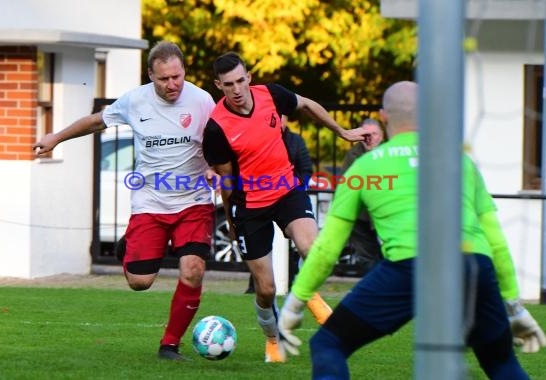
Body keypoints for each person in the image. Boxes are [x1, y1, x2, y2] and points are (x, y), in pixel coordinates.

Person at [279, 81, 538, 379]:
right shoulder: (462, 163)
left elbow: (326, 248)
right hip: (473, 267)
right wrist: (514, 307)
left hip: (409, 267)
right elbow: (495, 240)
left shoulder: (364, 168)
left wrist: (296, 301)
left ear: (383, 117)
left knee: (328, 344)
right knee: (501, 362)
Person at [33, 41, 216, 361]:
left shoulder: (202, 100)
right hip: (150, 203)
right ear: (150, 76)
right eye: (164, 79)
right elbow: (95, 121)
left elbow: (220, 139)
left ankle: (169, 345)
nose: (173, 84)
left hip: (194, 202)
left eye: (177, 76)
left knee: (193, 269)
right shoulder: (135, 101)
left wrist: (215, 167)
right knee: (140, 282)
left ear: (184, 70)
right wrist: (55, 137)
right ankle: (128, 245)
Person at [202, 51, 367, 363]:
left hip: (287, 191)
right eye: (228, 84)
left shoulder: (271, 95)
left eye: (240, 80)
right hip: (249, 206)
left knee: (315, 250)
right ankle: (273, 340)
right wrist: (231, 222)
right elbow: (225, 181)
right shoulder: (216, 128)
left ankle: (308, 297)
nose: (236, 89)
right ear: (218, 85)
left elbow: (306, 104)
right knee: (265, 289)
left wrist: (341, 132)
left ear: (248, 76)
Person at [244, 122, 313, 294]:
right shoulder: (254, 137)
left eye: (282, 116)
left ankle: (294, 281)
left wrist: (296, 186)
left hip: (289, 197)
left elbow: (306, 169)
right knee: (260, 249)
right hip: (259, 198)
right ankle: (256, 286)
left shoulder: (295, 140)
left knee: (305, 245)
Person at [339, 118, 385, 276]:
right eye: (366, 134)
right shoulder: (353, 154)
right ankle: (377, 290)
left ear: (382, 135)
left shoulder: (389, 152)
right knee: (367, 258)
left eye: (374, 134)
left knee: (389, 255)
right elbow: (349, 184)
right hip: (361, 215)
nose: (370, 138)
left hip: (385, 213)